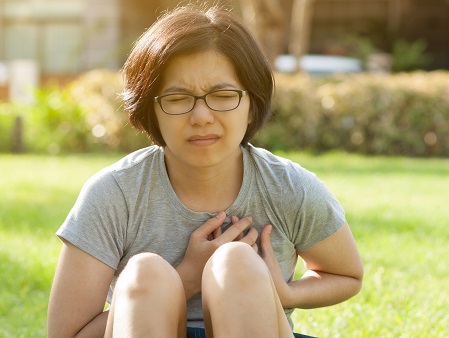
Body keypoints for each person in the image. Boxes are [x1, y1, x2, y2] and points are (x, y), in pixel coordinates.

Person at [47, 5, 363, 338]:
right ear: (150, 109)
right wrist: (185, 277)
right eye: (178, 97)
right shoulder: (114, 194)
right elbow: (67, 333)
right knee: (145, 273)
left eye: (222, 95)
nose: (201, 116)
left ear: (252, 106)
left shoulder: (288, 187)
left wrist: (287, 292)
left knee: (237, 264)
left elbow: (347, 275)